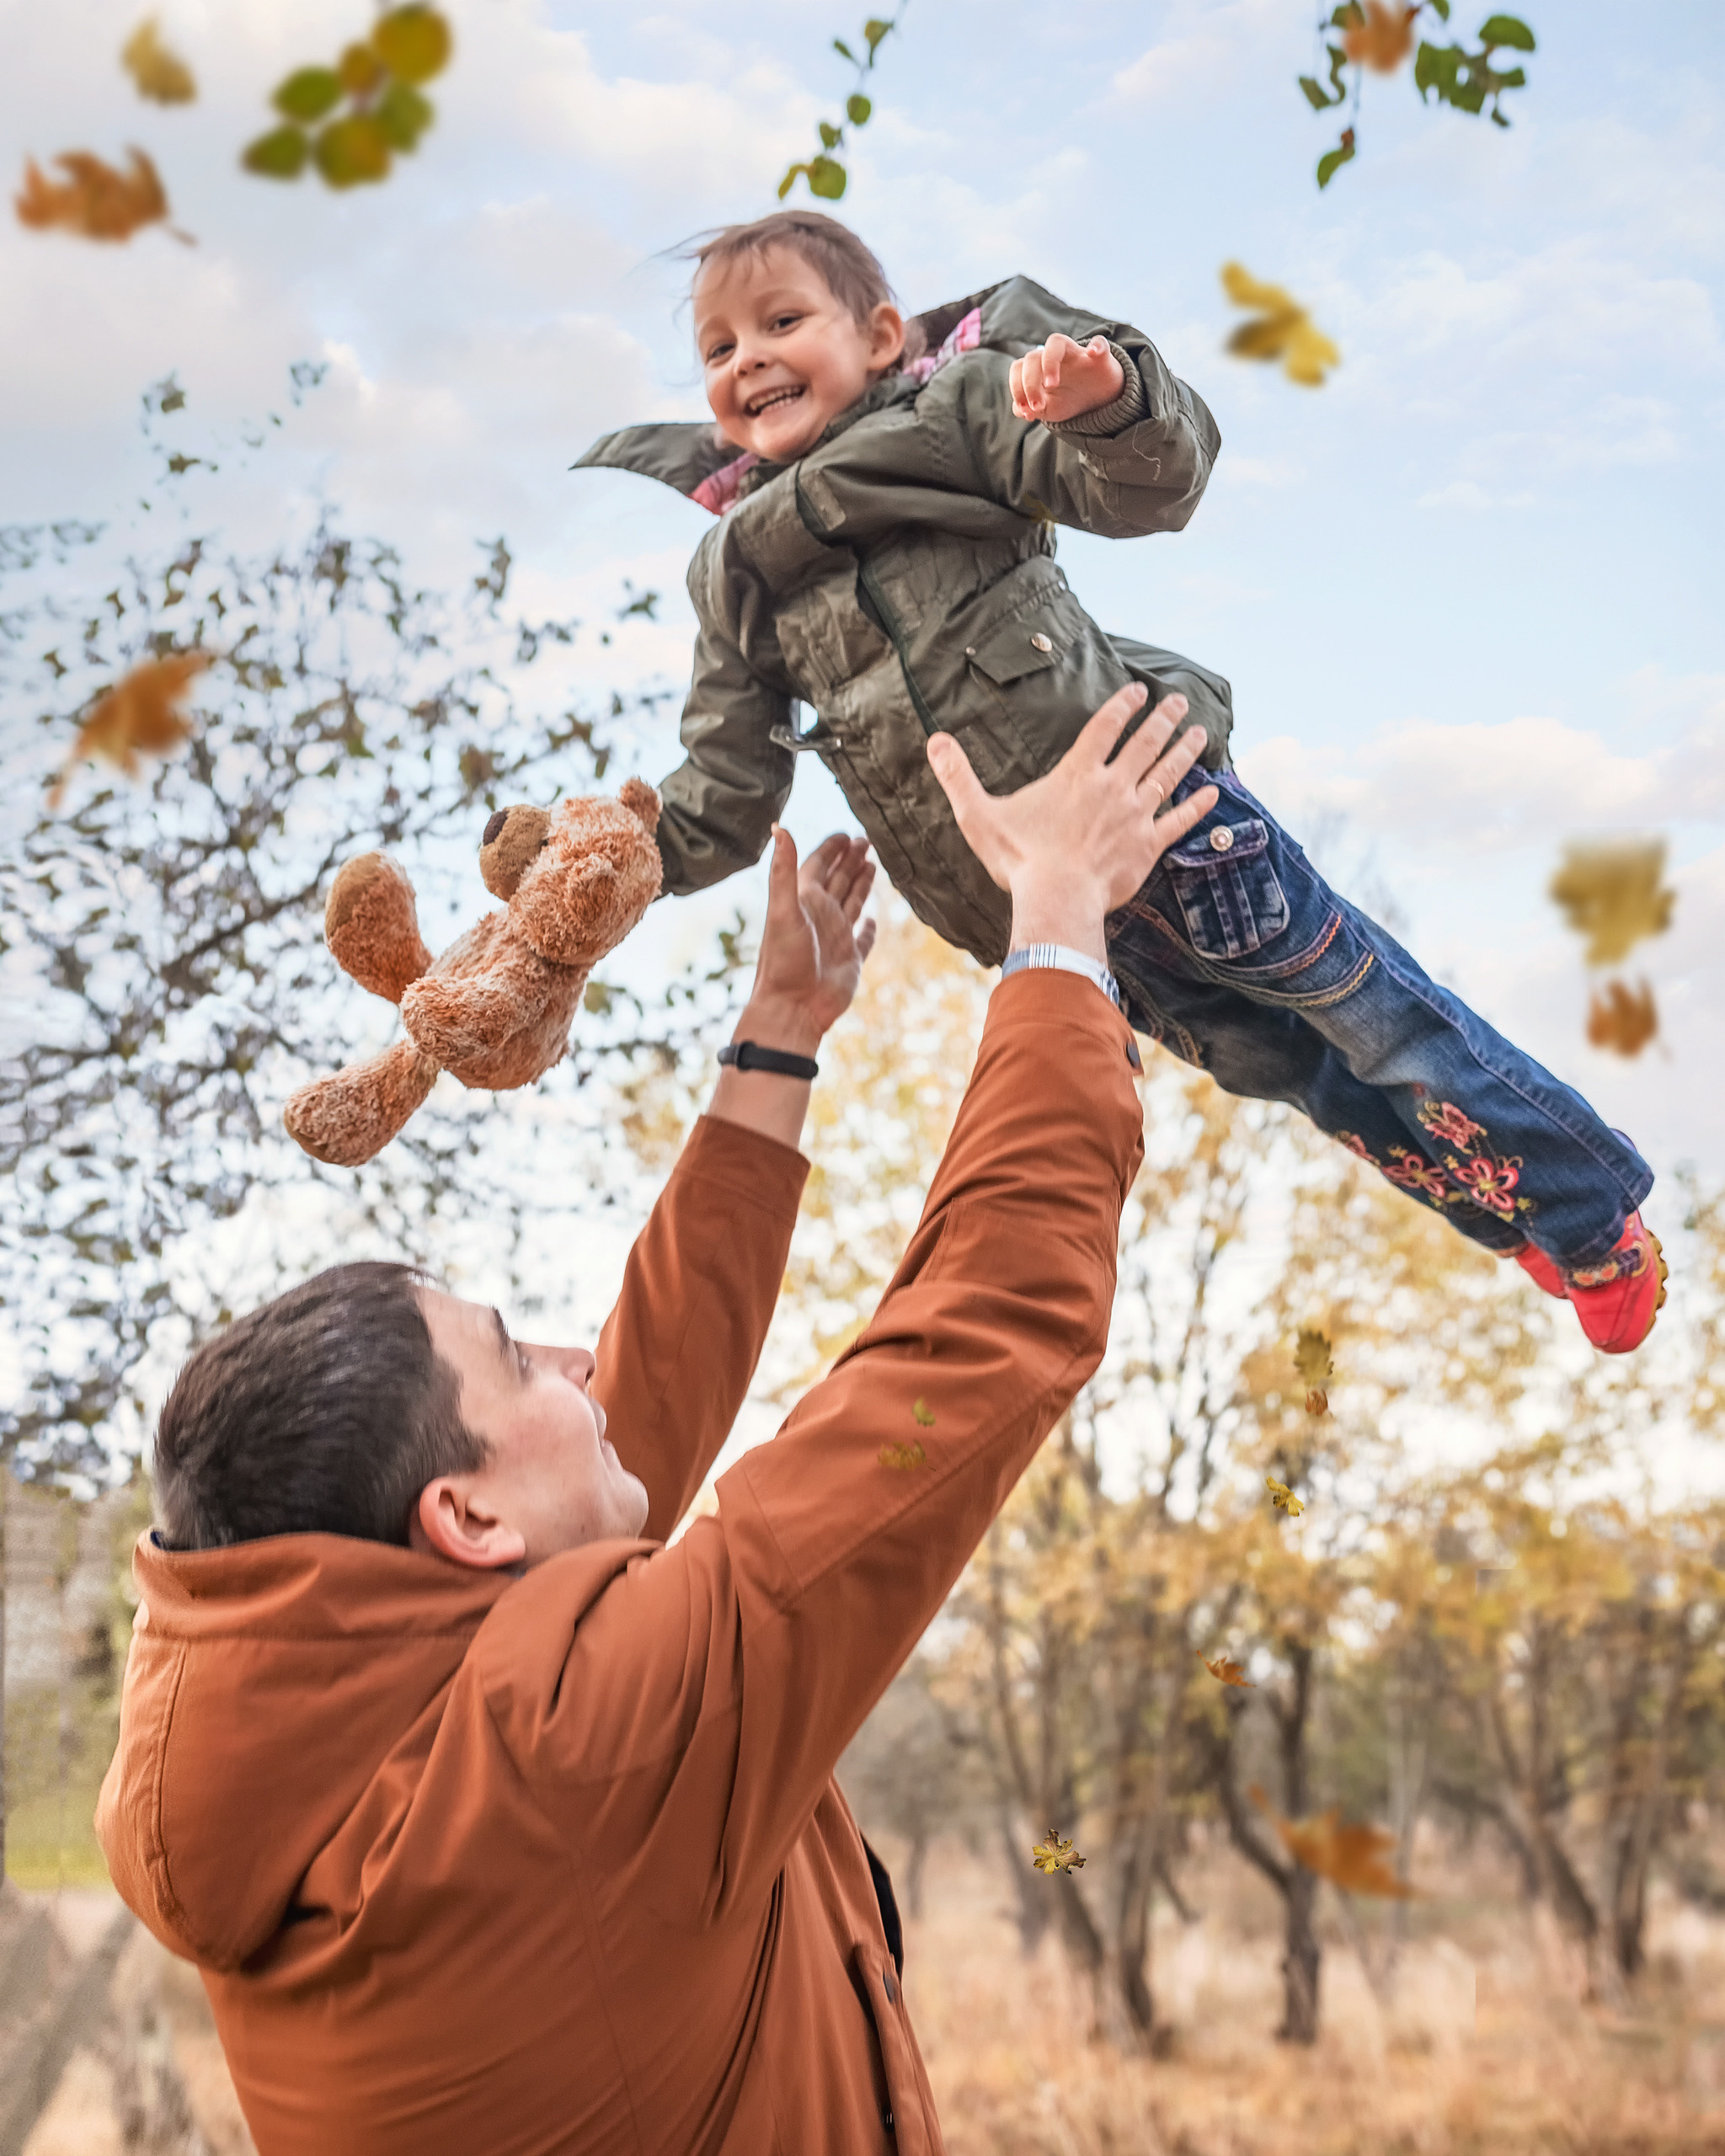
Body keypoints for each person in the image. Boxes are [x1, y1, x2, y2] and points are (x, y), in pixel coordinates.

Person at [96, 690, 1216, 2155]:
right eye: (516, 1358)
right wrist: (1061, 923)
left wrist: (776, 1046)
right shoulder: (572, 1774)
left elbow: (623, 1431)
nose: (575, 1362)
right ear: (464, 1518)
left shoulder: (312, 1770)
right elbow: (978, 1344)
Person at [574, 211, 1666, 1354]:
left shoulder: (954, 419)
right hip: (1067, 929)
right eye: (715, 349)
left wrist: (1105, 405)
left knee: (1373, 1020)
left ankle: (1593, 1210)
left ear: (883, 336)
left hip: (1166, 823)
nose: (744, 358)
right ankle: (1522, 1214)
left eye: (780, 322)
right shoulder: (738, 573)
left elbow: (1144, 487)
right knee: (1314, 1083)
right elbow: (725, 785)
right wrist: (616, 864)